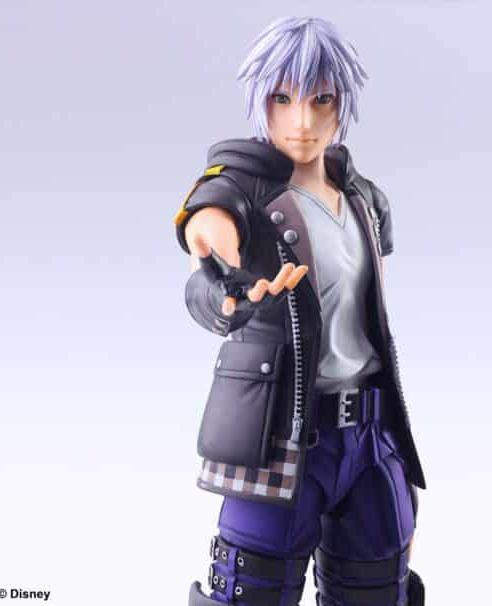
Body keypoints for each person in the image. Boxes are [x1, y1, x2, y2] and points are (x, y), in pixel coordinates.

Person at [174, 16, 426, 606]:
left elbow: (372, 324)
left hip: (369, 437)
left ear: (343, 103)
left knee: (379, 592)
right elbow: (207, 245)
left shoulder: (363, 199)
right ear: (260, 101)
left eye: (321, 99)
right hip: (279, 441)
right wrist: (224, 286)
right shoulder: (241, 194)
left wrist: (392, 455)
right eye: (283, 99)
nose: (303, 121)